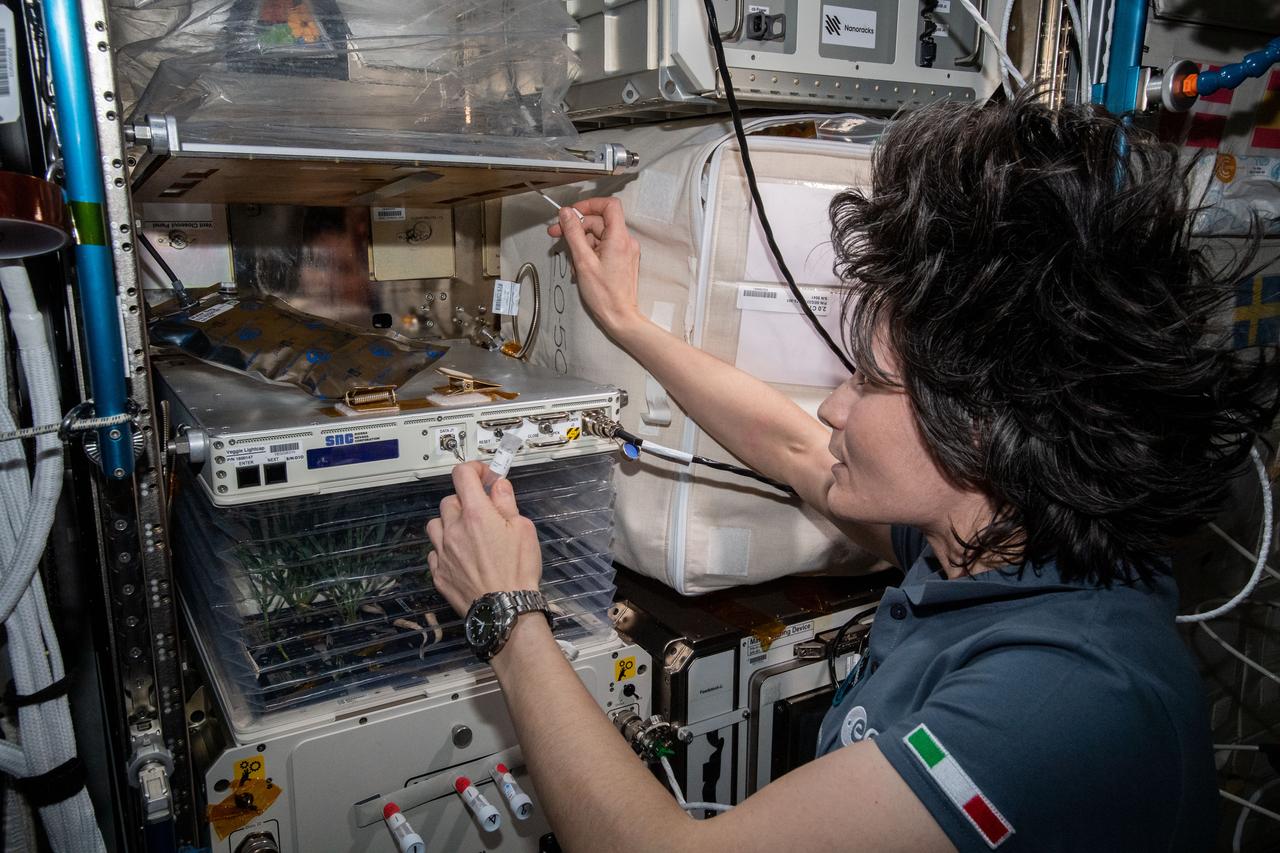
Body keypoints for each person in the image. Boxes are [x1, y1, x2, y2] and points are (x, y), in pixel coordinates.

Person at [424, 92, 1279, 852]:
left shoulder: (1062, 705)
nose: (833, 406)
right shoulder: (1006, 540)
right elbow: (796, 452)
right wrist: (630, 324)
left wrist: (508, 617)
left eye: (867, 379)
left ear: (982, 429)